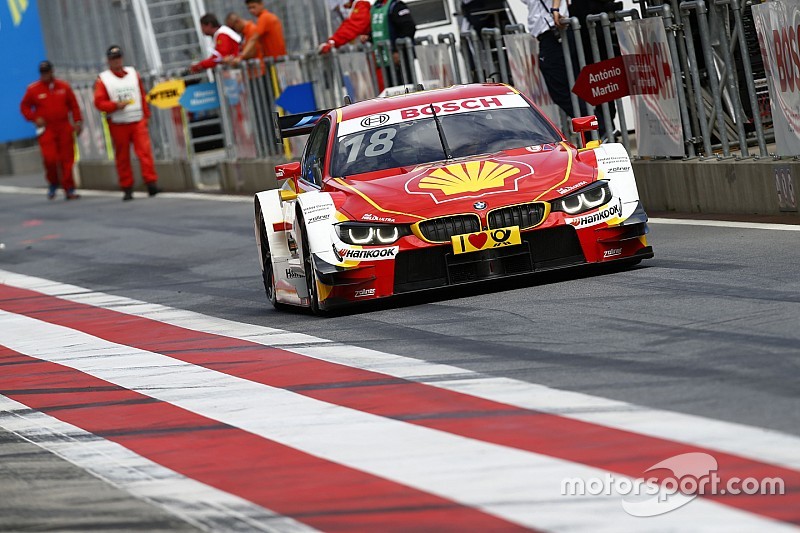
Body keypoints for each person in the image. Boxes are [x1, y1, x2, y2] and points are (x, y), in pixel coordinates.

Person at [93, 45, 160, 201]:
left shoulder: (133, 73)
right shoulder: (103, 79)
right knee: (122, 157)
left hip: (137, 120)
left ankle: (151, 183)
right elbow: (99, 103)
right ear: (108, 61)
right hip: (118, 122)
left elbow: (141, 95)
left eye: (118, 58)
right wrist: (115, 105)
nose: (116, 61)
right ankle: (127, 187)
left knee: (145, 152)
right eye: (113, 59)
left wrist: (146, 115)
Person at [19, 60, 83, 200]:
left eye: (47, 72)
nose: (45, 75)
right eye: (42, 72)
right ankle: (53, 182)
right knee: (50, 159)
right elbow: (24, 107)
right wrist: (34, 118)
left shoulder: (64, 86)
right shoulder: (33, 89)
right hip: (47, 129)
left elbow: (74, 105)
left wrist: (77, 122)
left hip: (64, 126)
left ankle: (69, 188)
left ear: (52, 71)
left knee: (67, 159)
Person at [519, 0, 589, 122]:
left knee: (562, 92)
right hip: (551, 34)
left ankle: (597, 126)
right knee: (569, 90)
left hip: (554, 33)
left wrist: (555, 9)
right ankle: (594, 126)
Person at [370, 0, 416, 86]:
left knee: (406, 86)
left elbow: (409, 28)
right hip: (383, 58)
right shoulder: (375, 8)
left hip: (400, 58)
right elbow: (375, 30)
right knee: (390, 87)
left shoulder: (397, 6)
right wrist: (367, 37)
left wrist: (397, 50)